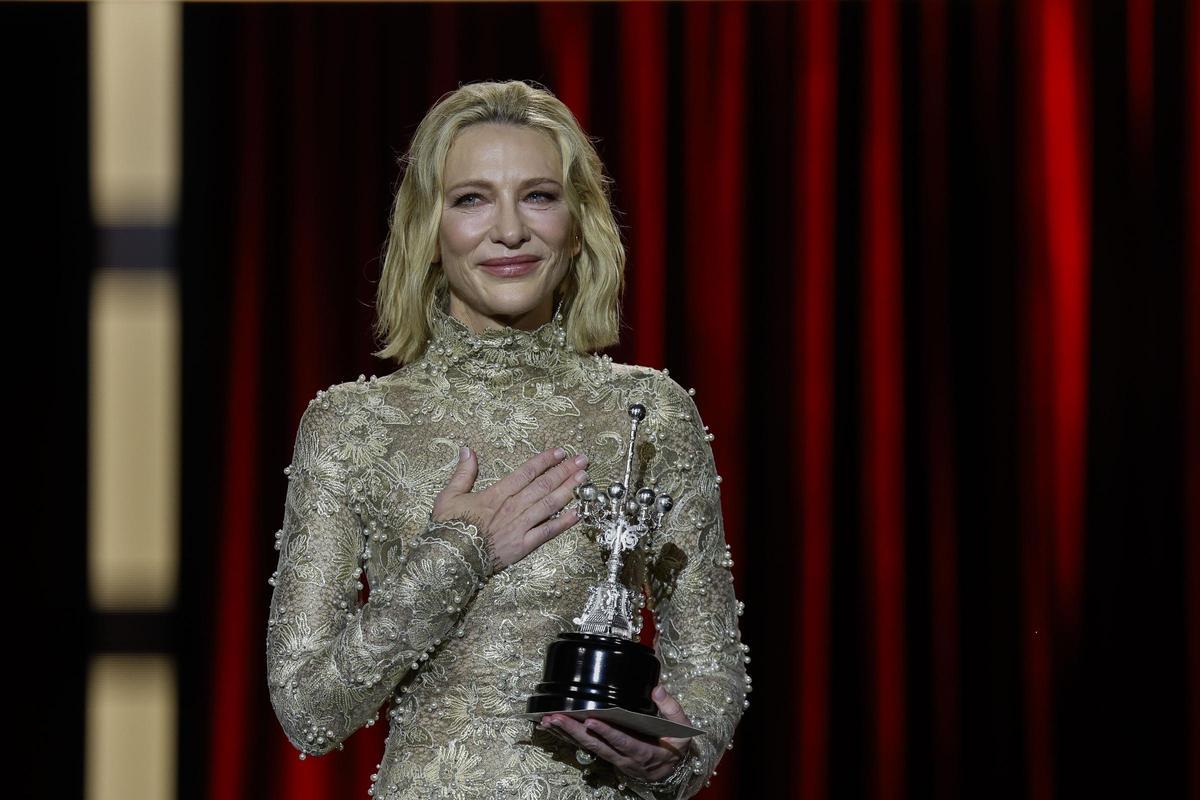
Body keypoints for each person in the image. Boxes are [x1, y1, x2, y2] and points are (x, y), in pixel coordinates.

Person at [265, 79, 750, 800]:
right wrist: (460, 553)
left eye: (538, 196)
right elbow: (307, 710)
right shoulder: (353, 426)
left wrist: (676, 757)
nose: (510, 231)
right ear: (428, 230)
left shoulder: (653, 414)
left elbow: (709, 663)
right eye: (471, 199)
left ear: (579, 222)